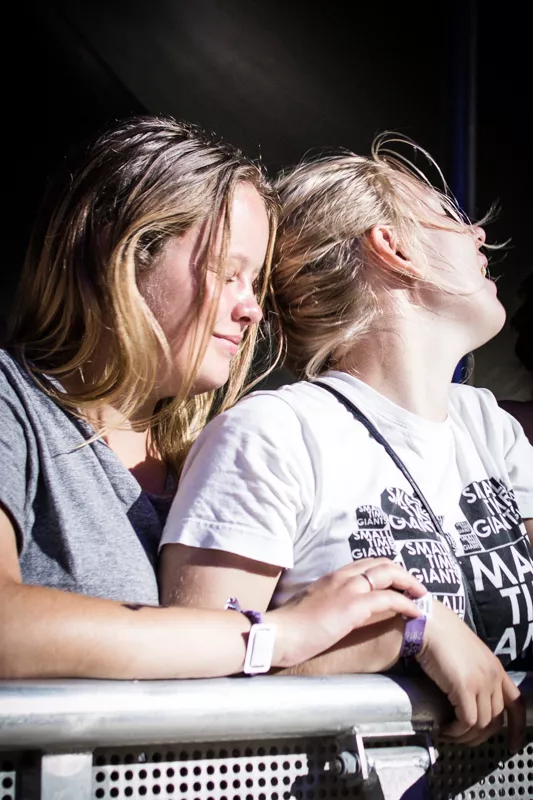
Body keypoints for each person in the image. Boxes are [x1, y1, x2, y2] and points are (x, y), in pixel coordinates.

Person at [0, 116, 429, 680]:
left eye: (255, 283)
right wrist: (269, 635)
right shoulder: (15, 405)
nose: (251, 309)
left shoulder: (207, 459)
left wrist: (414, 631)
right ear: (123, 252)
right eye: (228, 273)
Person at [160, 135, 533, 748]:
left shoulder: (488, 425)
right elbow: (192, 690)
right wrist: (406, 633)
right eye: (450, 216)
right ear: (394, 247)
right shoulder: (275, 434)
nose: (478, 235)